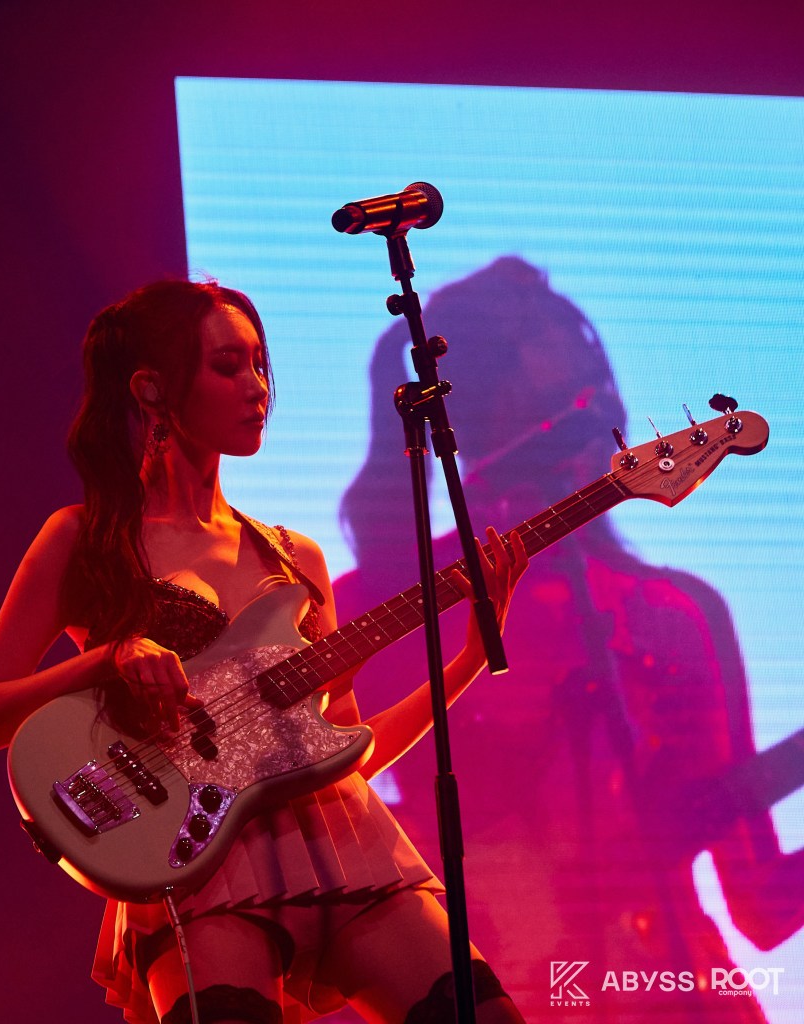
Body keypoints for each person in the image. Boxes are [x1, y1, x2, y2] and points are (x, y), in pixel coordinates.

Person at [0, 279, 530, 1024]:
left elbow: (347, 748)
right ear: (152, 389)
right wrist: (106, 658)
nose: (257, 387)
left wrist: (467, 661)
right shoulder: (83, 540)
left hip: (347, 842)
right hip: (193, 859)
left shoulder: (295, 557)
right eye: (228, 366)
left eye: (259, 364)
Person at [335, 256, 804, 1022]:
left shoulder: (677, 614)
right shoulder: (383, 610)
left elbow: (760, 904)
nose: (599, 411)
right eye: (573, 402)